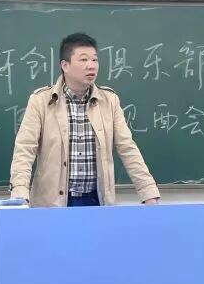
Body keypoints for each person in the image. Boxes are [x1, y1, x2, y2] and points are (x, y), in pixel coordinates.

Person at [9, 32, 161, 207]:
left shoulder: (109, 101)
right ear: (65, 65)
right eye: (83, 60)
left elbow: (127, 148)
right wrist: (19, 194)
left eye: (94, 60)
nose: (91, 65)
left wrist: (148, 191)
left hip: (98, 202)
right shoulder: (41, 101)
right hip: (53, 204)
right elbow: (24, 149)